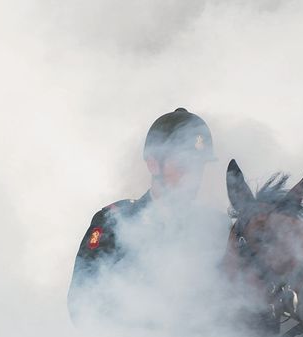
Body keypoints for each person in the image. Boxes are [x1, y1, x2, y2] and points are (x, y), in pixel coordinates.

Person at [67, 107, 223, 324]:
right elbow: (82, 302)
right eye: (181, 165)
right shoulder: (114, 222)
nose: (192, 176)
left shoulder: (219, 228)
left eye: (198, 166)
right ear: (152, 164)